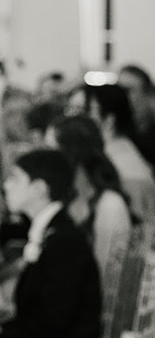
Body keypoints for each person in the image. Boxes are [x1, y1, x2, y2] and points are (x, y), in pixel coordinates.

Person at [0, 148, 101, 338]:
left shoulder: (64, 243)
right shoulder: (52, 231)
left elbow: (51, 321)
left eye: (15, 179)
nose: (6, 186)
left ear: (39, 189)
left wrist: (1, 331)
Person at [45, 113, 133, 291]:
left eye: (51, 151)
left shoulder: (110, 206)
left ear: (72, 154)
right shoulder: (66, 197)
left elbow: (110, 279)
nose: (44, 160)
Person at [86, 81, 155, 227]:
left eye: (92, 110)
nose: (87, 117)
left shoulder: (121, 159)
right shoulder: (119, 149)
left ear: (110, 119)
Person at [117, 63, 155, 167]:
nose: (121, 96)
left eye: (127, 90)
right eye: (118, 90)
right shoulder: (119, 127)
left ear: (148, 94)